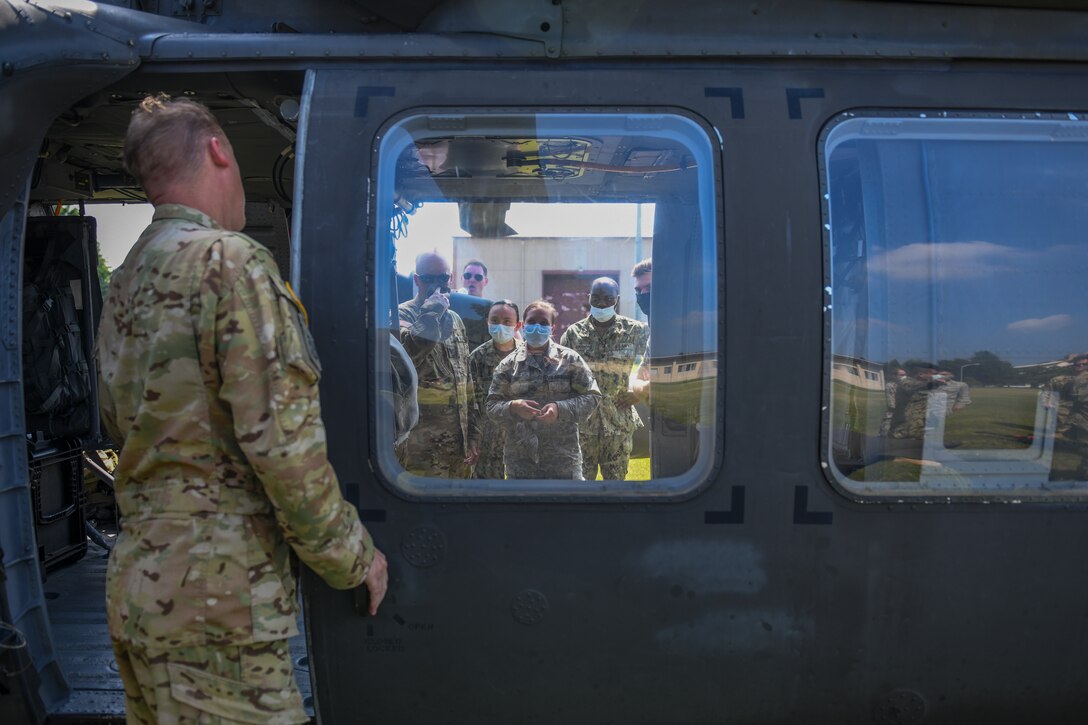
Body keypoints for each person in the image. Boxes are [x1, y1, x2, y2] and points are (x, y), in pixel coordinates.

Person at [96, 94, 387, 724]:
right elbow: (282, 446)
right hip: (215, 609)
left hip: (142, 589)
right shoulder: (231, 262)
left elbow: (118, 424)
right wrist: (351, 556)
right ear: (218, 150)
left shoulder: (127, 277)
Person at [486, 300, 601, 479]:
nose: (537, 327)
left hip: (563, 462)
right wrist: (513, 407)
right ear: (523, 325)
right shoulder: (508, 365)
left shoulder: (570, 359)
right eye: (532, 322)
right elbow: (492, 406)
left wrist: (559, 408)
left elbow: (592, 397)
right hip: (520, 464)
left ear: (552, 328)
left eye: (543, 323)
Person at [560, 277, 649, 480]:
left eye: (607, 299)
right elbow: (562, 374)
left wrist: (637, 391)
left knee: (616, 488)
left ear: (616, 300)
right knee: (580, 487)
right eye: (597, 298)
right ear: (588, 298)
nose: (601, 304)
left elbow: (650, 364)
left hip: (618, 420)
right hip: (583, 426)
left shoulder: (636, 331)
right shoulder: (573, 333)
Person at [398, 251, 472, 478]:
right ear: (417, 280)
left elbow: (466, 380)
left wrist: (474, 437)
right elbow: (412, 350)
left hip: (459, 448)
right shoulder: (402, 314)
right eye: (429, 279)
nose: (437, 285)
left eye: (443, 278)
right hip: (422, 449)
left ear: (451, 279)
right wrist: (431, 311)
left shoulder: (456, 319)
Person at [466, 299, 523, 478]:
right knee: (487, 495)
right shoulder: (476, 358)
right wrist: (472, 438)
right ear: (487, 322)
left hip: (522, 441)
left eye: (507, 321)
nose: (500, 326)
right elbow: (469, 402)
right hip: (487, 444)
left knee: (523, 495)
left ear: (518, 325)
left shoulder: (529, 356)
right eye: (495, 320)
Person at [629, 258, 653, 402]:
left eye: (649, 288)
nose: (642, 294)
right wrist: (644, 388)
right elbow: (636, 381)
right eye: (638, 290)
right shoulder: (655, 331)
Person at [879, 368, 907, 437]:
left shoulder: (905, 385)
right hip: (892, 416)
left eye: (905, 374)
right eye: (901, 375)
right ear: (894, 376)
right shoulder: (890, 386)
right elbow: (892, 404)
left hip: (903, 416)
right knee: (885, 434)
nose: (904, 376)